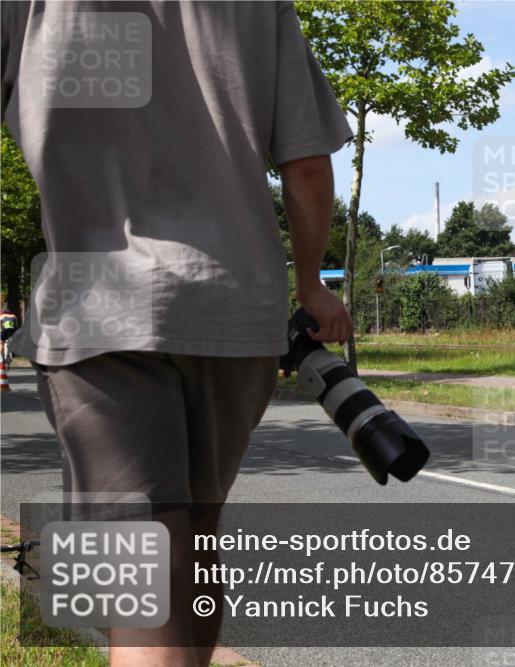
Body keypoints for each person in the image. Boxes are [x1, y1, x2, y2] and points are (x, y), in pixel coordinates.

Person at [2, 2, 354, 665]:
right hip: (234, 312)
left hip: (98, 313)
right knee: (195, 534)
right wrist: (310, 283)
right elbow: (307, 165)